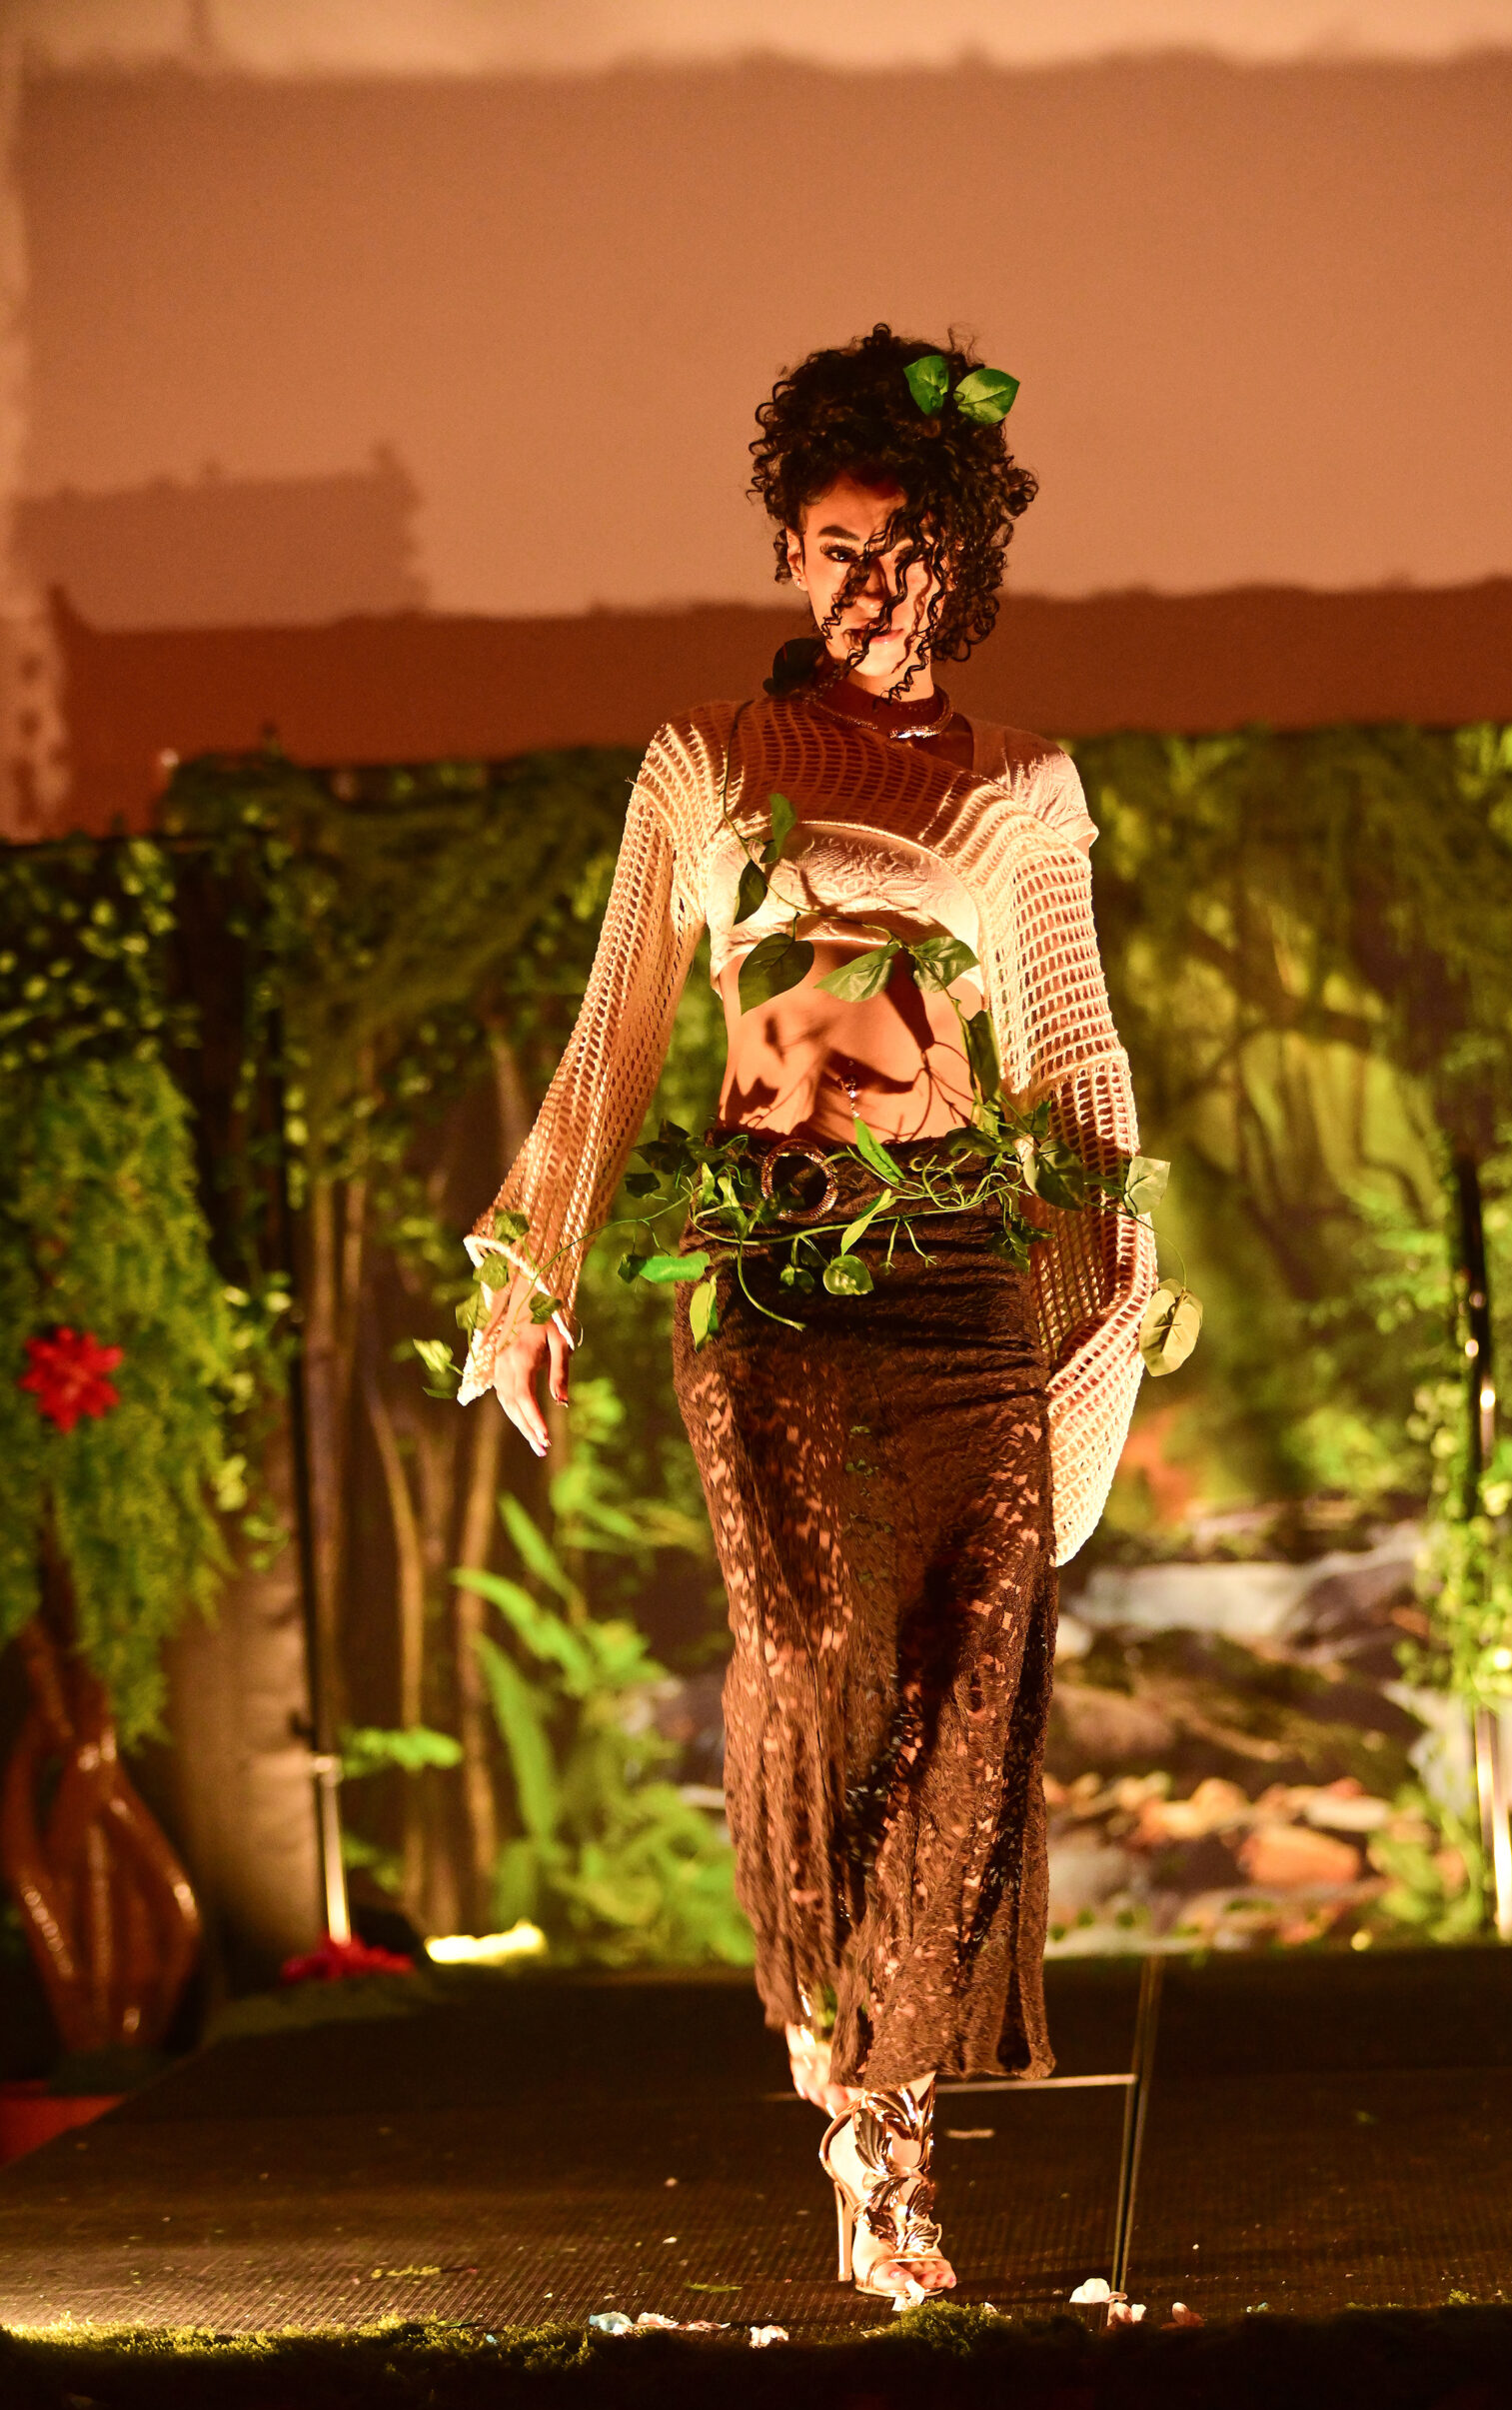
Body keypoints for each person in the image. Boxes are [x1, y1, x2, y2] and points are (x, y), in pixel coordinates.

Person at [458, 325, 1157, 2303]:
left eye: (901, 547)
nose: (866, 583)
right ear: (787, 550)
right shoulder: (707, 760)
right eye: (833, 546)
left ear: (961, 560)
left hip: (959, 1276)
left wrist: (1113, 1279)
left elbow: (1072, 1049)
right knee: (810, 1648)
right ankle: (830, 2035)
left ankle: (891, 2131)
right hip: (770, 1268)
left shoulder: (1022, 785)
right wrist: (531, 1267)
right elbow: (618, 1030)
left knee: (972, 1682)